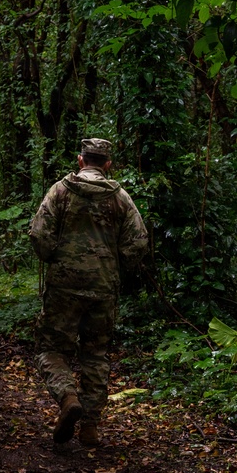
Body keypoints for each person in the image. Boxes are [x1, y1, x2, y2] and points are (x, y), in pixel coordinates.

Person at [28, 138, 148, 447]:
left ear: (81, 160)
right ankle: (90, 427)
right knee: (95, 354)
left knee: (50, 348)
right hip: (103, 286)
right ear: (107, 165)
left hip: (63, 286)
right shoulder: (120, 197)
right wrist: (115, 265)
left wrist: (54, 257)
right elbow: (138, 241)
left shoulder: (60, 191)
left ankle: (68, 398)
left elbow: (39, 234)